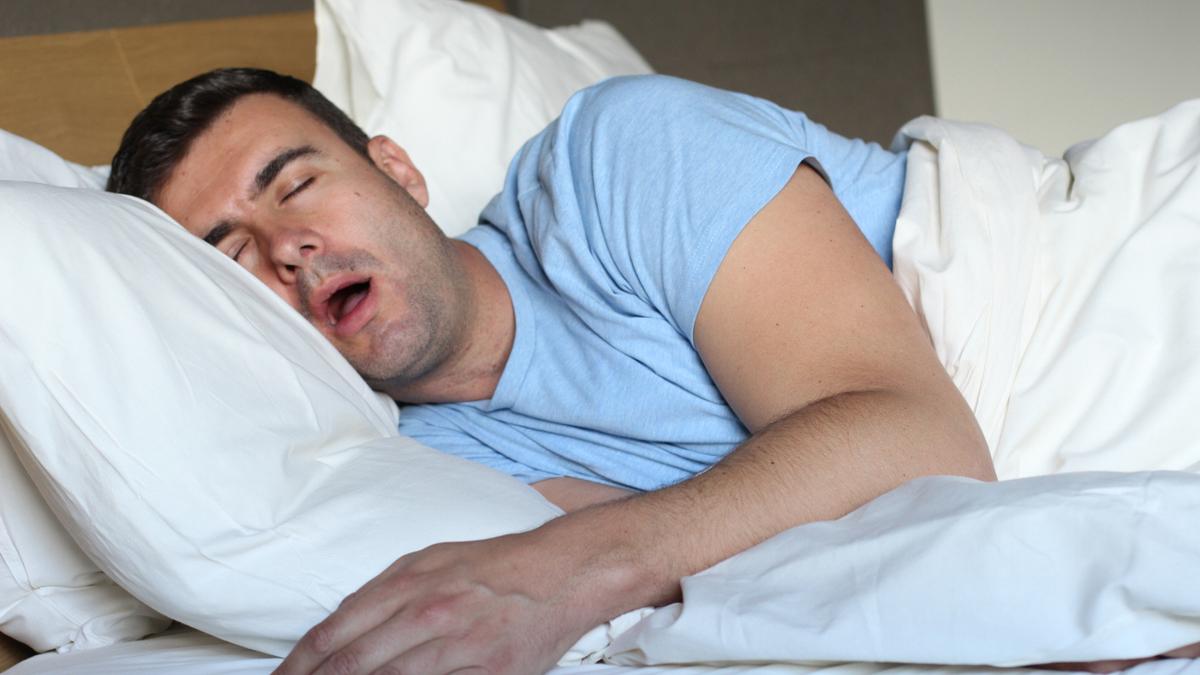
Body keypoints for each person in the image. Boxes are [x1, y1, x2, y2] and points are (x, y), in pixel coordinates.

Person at [108, 67, 995, 675]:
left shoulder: (615, 157)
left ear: (397, 170)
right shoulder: (420, 473)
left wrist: (566, 566)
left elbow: (923, 440)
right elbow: (771, 556)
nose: (287, 247)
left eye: (297, 185)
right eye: (232, 257)